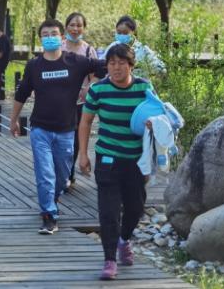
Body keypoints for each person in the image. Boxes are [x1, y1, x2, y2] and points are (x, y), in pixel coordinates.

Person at [10, 19, 106, 235]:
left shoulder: (76, 62)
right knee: (45, 173)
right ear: (41, 40)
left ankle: (51, 199)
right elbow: (21, 93)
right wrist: (14, 119)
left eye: (54, 33)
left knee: (62, 177)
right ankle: (49, 216)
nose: (50, 37)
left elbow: (104, 66)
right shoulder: (34, 66)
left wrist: (92, 84)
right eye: (45, 34)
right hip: (40, 129)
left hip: (66, 130)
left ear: (62, 38)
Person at [78, 44, 154, 280]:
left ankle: (124, 240)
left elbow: (157, 114)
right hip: (108, 157)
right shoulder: (98, 89)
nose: (116, 67)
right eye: (111, 63)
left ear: (131, 65)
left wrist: (153, 122)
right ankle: (110, 259)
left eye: (121, 63)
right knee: (109, 211)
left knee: (136, 207)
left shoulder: (144, 87)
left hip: (135, 159)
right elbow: (86, 122)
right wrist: (83, 154)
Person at [62, 12, 99, 186]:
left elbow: (96, 75)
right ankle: (60, 172)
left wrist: (88, 88)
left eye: (79, 25)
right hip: (59, 102)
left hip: (80, 103)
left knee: (75, 138)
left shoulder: (88, 50)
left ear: (84, 28)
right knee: (60, 137)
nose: (75, 29)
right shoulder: (58, 47)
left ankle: (69, 174)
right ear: (66, 27)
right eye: (72, 25)